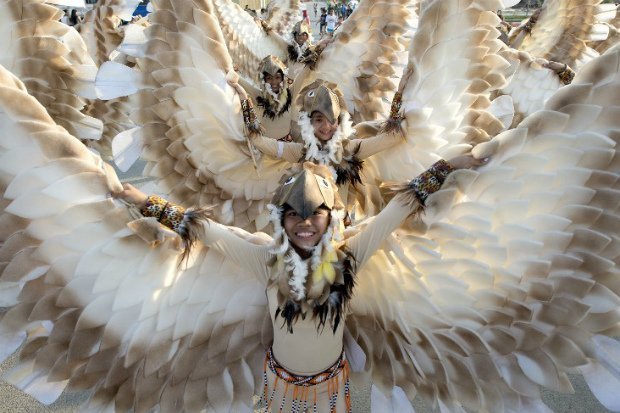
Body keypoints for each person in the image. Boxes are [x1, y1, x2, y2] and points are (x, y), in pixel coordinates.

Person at [114, 154, 483, 412]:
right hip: (281, 385)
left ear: (329, 218)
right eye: (293, 215)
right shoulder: (267, 262)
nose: (304, 224)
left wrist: (447, 166)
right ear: (281, 219)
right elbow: (210, 232)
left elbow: (393, 213)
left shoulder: (347, 258)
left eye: (314, 215)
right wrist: (143, 200)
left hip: (330, 386)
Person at [236, 79, 408, 213]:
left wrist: (400, 92)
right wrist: (244, 98)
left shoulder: (351, 150)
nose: (326, 127)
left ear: (339, 122)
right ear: (308, 123)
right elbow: (259, 141)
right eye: (319, 120)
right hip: (303, 231)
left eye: (331, 120)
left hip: (336, 234)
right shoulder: (299, 152)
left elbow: (393, 137)